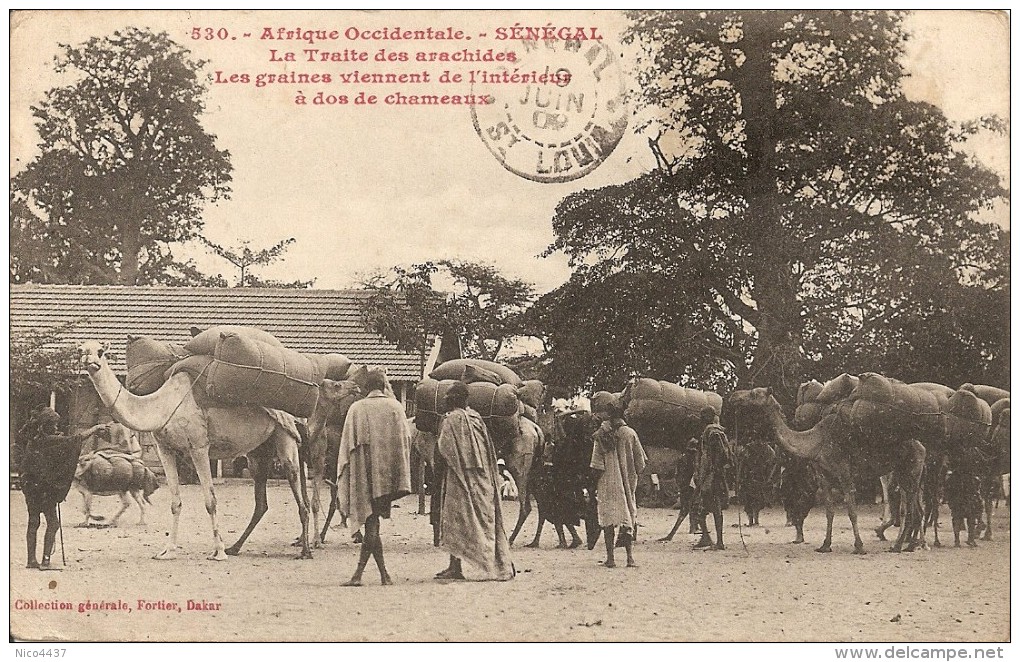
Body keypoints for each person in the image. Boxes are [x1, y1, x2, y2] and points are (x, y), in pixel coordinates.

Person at [336, 368, 412, 586]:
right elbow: (405, 440)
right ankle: (382, 575)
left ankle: (360, 575)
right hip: (388, 477)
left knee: (371, 522)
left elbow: (346, 446)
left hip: (364, 475)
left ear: (367, 388)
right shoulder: (396, 408)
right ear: (384, 386)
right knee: (373, 523)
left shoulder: (357, 409)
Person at [434, 381, 514, 581]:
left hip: (458, 478)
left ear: (452, 400)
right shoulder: (476, 418)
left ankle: (461, 566)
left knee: (456, 521)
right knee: (485, 520)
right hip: (482, 478)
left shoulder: (451, 420)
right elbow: (488, 450)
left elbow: (444, 449)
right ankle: (491, 562)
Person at [20, 408, 108, 569]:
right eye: (53, 425)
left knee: (33, 523)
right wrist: (95, 428)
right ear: (46, 426)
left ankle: (31, 560)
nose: (56, 428)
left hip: (31, 488)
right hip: (45, 490)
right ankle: (46, 561)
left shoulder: (33, 441)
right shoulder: (52, 440)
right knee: (53, 524)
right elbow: (76, 439)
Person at [589, 392, 647, 568]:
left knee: (608, 520)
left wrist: (593, 487)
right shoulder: (630, 433)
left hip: (607, 482)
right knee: (628, 516)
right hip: (627, 483)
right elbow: (641, 463)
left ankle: (611, 559)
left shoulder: (600, 435)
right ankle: (630, 558)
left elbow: (596, 465)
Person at [693, 407, 733, 550]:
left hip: (712, 476)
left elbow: (720, 454)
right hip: (709, 475)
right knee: (700, 508)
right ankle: (706, 537)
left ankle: (719, 542)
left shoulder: (713, 432)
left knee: (714, 508)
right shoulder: (713, 431)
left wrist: (712, 471)